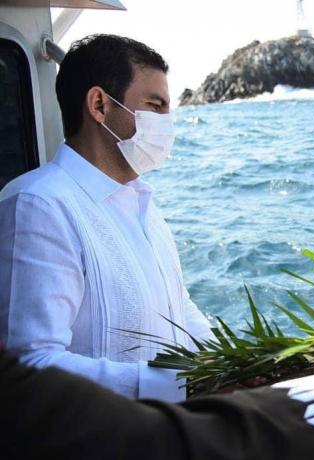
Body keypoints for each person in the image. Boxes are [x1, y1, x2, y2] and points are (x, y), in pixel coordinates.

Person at [0, 34, 213, 402]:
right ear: (99, 105)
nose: (168, 124)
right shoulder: (39, 205)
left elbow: (180, 310)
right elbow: (32, 363)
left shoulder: (143, 204)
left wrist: (238, 366)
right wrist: (178, 385)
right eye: (155, 106)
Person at [0, 325, 314, 460]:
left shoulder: (146, 210)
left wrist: (250, 376)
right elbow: (171, 445)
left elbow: (188, 327)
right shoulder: (36, 202)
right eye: (155, 105)